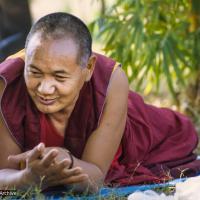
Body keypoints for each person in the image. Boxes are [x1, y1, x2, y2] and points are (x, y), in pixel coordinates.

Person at [0, 12, 199, 193]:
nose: (44, 88)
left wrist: (67, 162)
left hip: (149, 135)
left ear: (88, 68)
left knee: (171, 130)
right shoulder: (7, 83)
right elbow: (3, 173)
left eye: (59, 77)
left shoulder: (110, 80)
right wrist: (27, 178)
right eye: (34, 72)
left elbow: (95, 178)